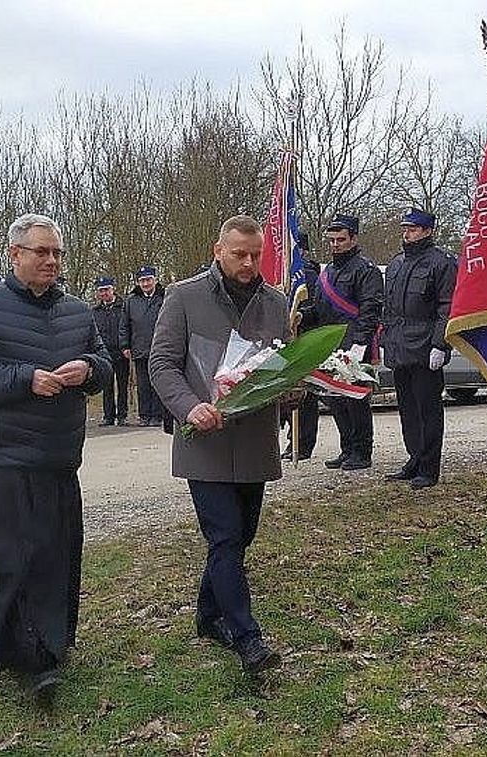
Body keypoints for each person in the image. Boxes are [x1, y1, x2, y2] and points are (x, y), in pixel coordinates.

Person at [0, 213, 112, 702]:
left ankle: (53, 646)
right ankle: (23, 655)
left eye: (57, 253)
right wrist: (23, 378)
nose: (51, 261)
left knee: (56, 556)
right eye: (41, 252)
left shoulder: (78, 311)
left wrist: (90, 369)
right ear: (14, 254)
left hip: (60, 455)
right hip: (6, 456)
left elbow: (102, 358)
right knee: (12, 557)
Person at [150, 215, 288, 675]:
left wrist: (294, 388)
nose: (248, 263)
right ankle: (246, 638)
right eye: (238, 254)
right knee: (225, 536)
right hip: (204, 442)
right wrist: (189, 406)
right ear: (218, 250)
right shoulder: (184, 297)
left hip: (254, 441)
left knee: (239, 538)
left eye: (255, 255)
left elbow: (284, 370)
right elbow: (163, 365)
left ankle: (208, 617)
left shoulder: (276, 303)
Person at [299, 214, 383, 470]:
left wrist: (360, 344)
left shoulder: (365, 270)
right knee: (336, 400)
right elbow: (321, 310)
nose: (335, 244)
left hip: (354, 346)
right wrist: (302, 314)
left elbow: (370, 310)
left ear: (353, 239)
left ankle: (362, 451)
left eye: (341, 239)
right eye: (332, 240)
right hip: (331, 346)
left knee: (356, 400)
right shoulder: (329, 272)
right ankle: (347, 448)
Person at [381, 208, 457, 490]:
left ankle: (429, 466)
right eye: (405, 228)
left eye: (412, 229)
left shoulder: (441, 262)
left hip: (425, 347)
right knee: (408, 410)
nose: (406, 233)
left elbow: (447, 307)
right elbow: (389, 307)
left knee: (428, 410)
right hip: (400, 346)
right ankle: (414, 457)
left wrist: (440, 343)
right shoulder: (397, 263)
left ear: (427, 231)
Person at [283, 233, 321, 460]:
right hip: (288, 341)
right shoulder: (285, 276)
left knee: (304, 398)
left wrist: (298, 316)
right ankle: (293, 439)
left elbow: (314, 309)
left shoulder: (307, 275)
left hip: (304, 338)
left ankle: (303, 443)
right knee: (288, 395)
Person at [120, 264, 166, 426]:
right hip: (139, 348)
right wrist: (125, 345)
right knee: (143, 385)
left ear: (155, 280)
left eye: (148, 280)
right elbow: (124, 325)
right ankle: (144, 415)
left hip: (161, 348)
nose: (145, 284)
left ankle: (158, 415)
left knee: (159, 382)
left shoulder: (165, 297)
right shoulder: (131, 301)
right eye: (142, 281)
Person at [92, 276, 131, 426]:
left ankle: (122, 415)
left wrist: (126, 346)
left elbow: (128, 327)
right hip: (104, 354)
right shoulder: (95, 311)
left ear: (112, 289)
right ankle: (108, 416)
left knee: (122, 386)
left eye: (106, 290)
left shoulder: (123, 307)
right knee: (107, 386)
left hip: (121, 352)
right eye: (101, 291)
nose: (104, 293)